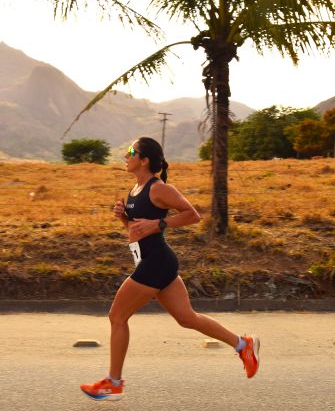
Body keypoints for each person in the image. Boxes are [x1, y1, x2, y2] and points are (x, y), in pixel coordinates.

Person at [79, 137, 260, 401]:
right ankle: (244, 345)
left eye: (131, 151)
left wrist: (159, 225)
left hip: (156, 262)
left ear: (145, 160)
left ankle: (114, 383)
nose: (125, 156)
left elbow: (192, 214)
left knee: (117, 316)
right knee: (187, 318)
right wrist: (123, 219)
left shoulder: (159, 188)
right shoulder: (134, 190)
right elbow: (136, 230)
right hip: (152, 261)